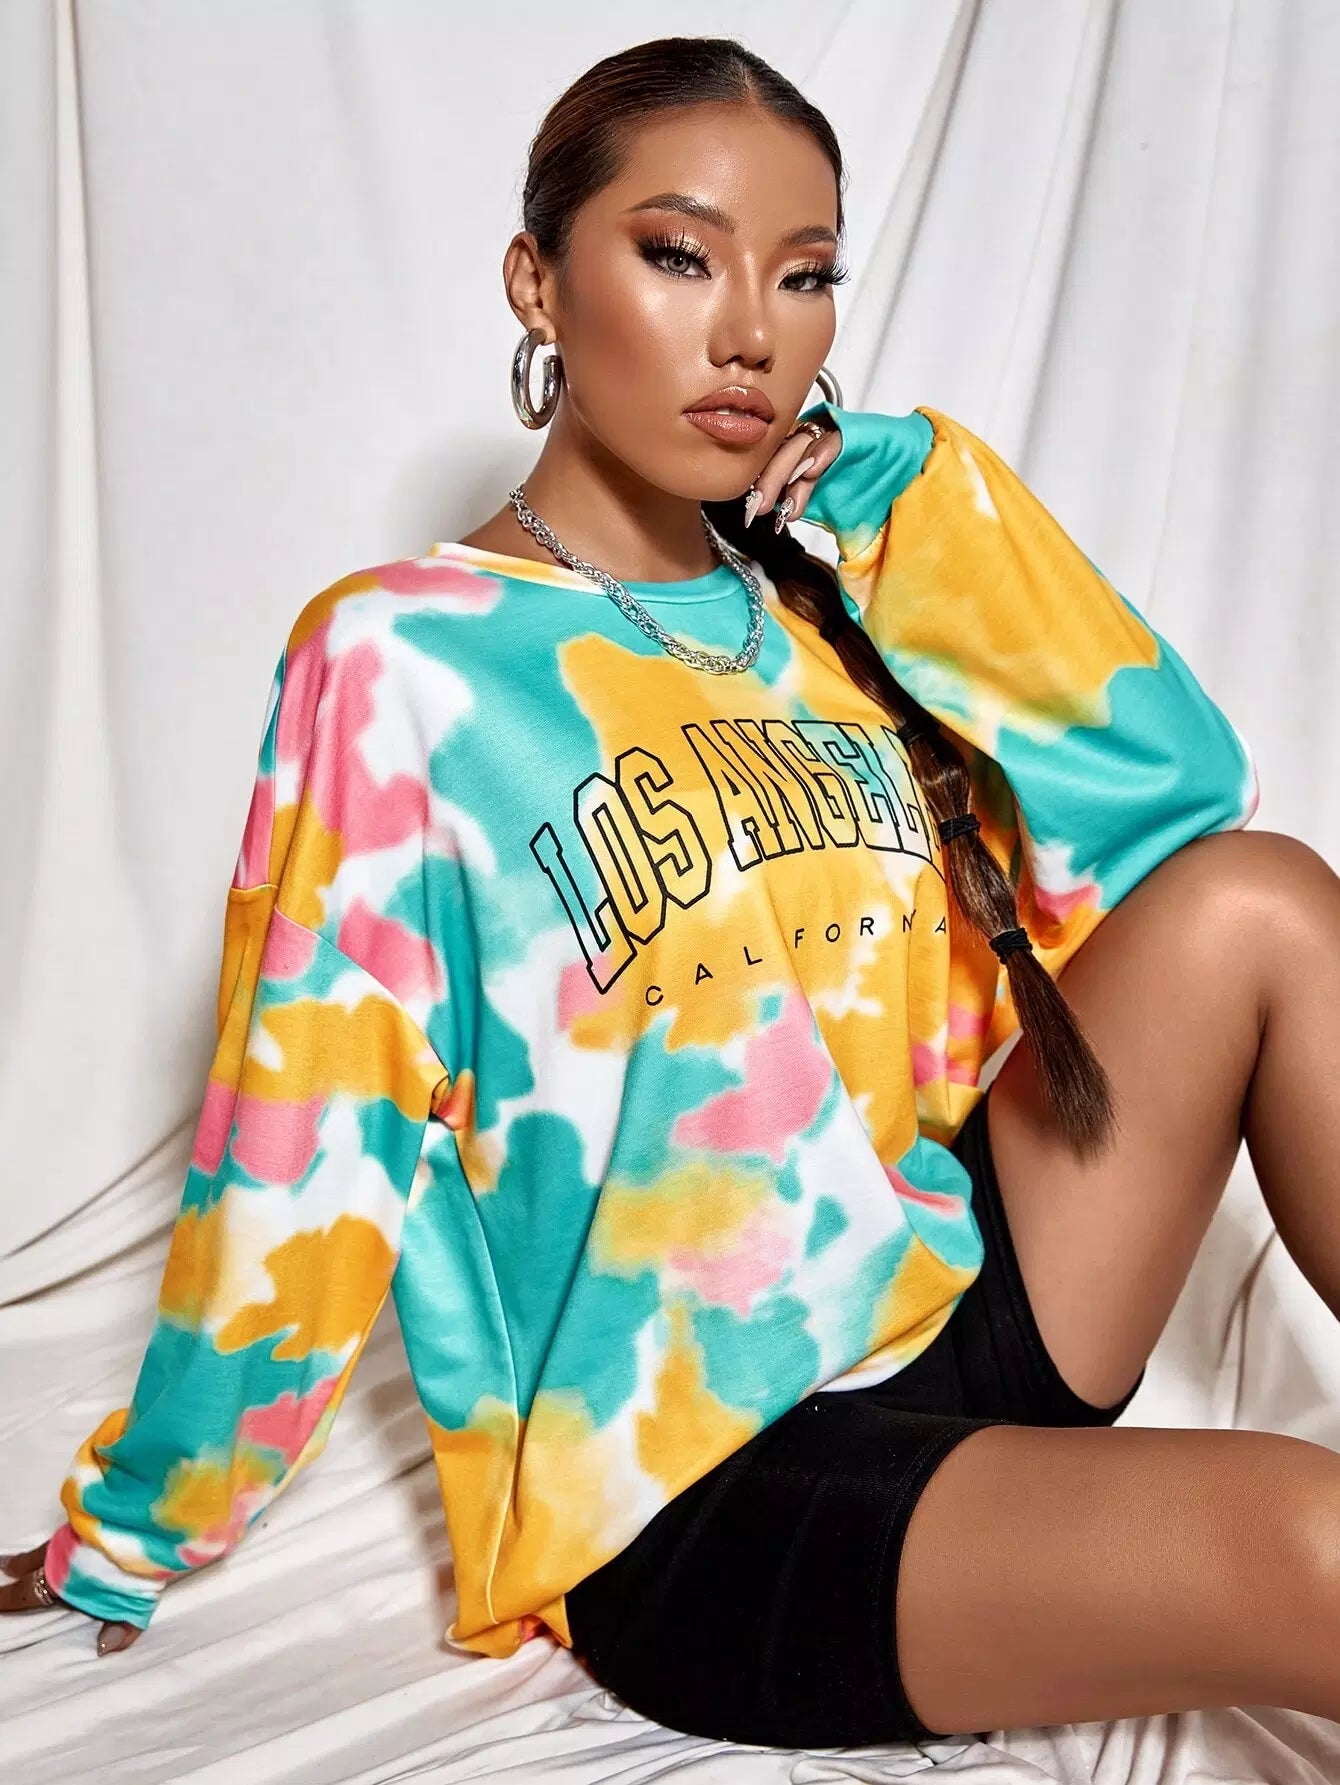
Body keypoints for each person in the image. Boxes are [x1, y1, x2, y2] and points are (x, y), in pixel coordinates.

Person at [5, 30, 1339, 1755]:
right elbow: (299, 1137)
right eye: (679, 255)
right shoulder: (402, 661)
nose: (751, 332)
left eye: (805, 274)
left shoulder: (818, 619)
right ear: (537, 284)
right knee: (1310, 1535)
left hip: (955, 1302)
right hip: (713, 1489)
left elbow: (1176, 797)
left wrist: (902, 500)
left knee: (1262, 901)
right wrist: (132, 1527)